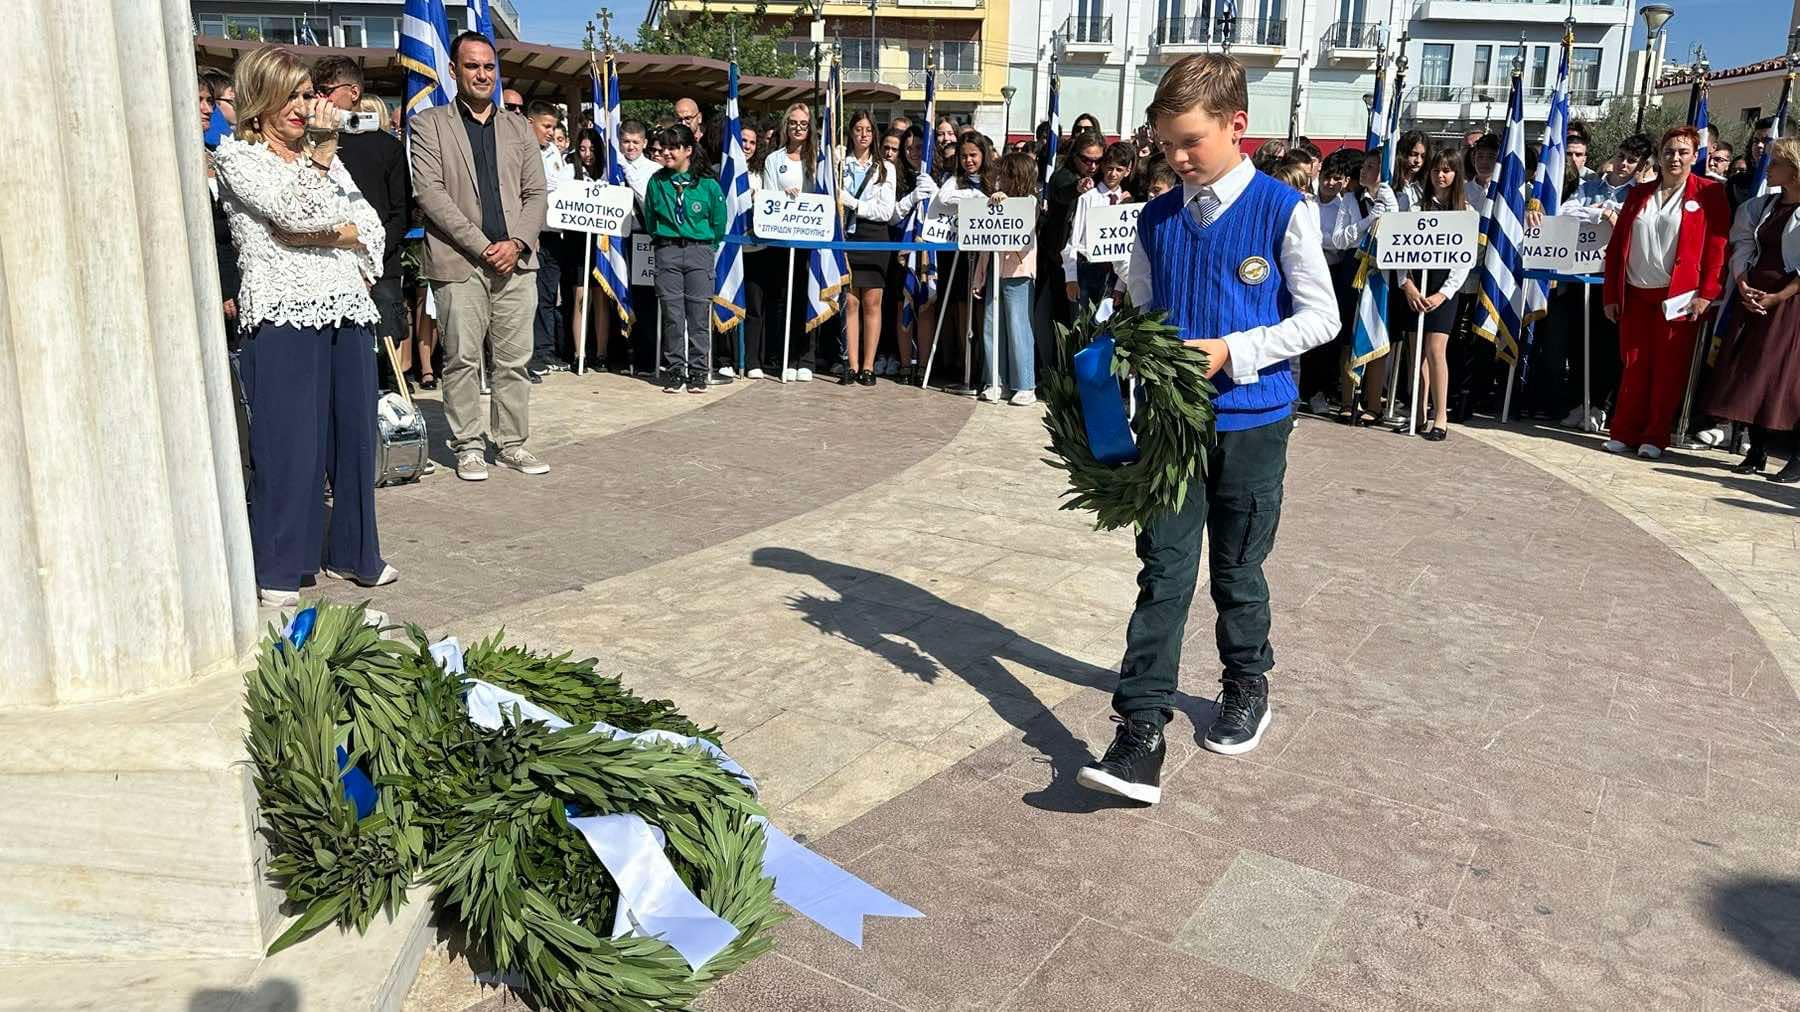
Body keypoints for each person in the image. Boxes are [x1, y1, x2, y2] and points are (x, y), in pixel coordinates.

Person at [1075, 53, 1336, 805]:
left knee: (1236, 569)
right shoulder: (1155, 217)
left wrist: (1237, 352)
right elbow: (1144, 310)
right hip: (1173, 428)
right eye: (1165, 145)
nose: (1177, 159)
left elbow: (1322, 318)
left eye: (1191, 142)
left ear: (1237, 126)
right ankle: (1139, 733)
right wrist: (1115, 351)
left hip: (1255, 422)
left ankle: (1246, 681)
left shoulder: (1283, 209)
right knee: (1163, 571)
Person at [211, 45, 394, 606]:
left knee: (356, 439)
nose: (302, 106)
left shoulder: (327, 159)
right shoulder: (237, 156)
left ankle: (354, 553)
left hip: (346, 305)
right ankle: (281, 564)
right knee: (291, 444)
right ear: (259, 100)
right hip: (283, 310)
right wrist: (319, 209)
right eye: (290, 95)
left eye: (306, 94)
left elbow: (371, 226)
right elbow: (288, 215)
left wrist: (334, 233)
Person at [410, 30, 550, 482]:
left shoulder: (518, 127)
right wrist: (483, 246)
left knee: (513, 360)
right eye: (472, 66)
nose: (482, 74)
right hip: (459, 261)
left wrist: (517, 243)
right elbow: (430, 194)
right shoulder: (428, 124)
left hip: (516, 262)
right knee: (463, 359)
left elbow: (536, 193)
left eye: (488, 66)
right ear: (454, 71)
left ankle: (512, 443)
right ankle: (468, 444)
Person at [1601, 125, 1730, 459]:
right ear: (1659, 155)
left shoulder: (1708, 194)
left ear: (1695, 156)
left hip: (1678, 298)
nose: (1675, 158)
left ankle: (1655, 436)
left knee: (1667, 369)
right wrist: (1611, 296)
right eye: (1669, 151)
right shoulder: (1639, 194)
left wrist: (1707, 293)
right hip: (1634, 293)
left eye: (1683, 152)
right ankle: (1624, 430)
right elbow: (1617, 247)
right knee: (1633, 365)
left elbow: (1717, 247)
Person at [311, 56, 409, 393]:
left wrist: (372, 261)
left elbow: (401, 213)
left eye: (326, 91)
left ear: (353, 92)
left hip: (380, 271)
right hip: (328, 269)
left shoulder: (388, 146)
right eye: (315, 92)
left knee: (384, 365)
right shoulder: (310, 144)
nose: (319, 100)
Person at [1705, 137, 1800, 482]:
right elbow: (1743, 243)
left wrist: (1779, 297)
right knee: (1751, 372)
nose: (1768, 168)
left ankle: (1796, 458)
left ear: (1793, 172)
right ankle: (1756, 450)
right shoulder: (1762, 207)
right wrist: (1743, 282)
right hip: (1755, 295)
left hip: (1790, 303)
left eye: (1776, 164)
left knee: (1786, 380)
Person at [1554, 132, 1653, 430]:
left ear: (1640, 165)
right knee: (1577, 344)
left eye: (1632, 161)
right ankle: (1576, 402)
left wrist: (1613, 215)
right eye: (1621, 156)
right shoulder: (1590, 186)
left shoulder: (1639, 193)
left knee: (1605, 347)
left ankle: (1599, 404)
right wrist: (1602, 212)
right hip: (1579, 275)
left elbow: (1633, 223)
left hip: (1612, 282)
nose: (1623, 164)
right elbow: (1565, 211)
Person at [1393, 147, 1473, 441]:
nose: (1441, 175)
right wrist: (1407, 285)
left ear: (1456, 174)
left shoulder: (1465, 212)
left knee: (1436, 350)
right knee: (1417, 355)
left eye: (1447, 170)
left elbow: (1464, 262)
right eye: (1437, 169)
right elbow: (1398, 251)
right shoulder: (1415, 208)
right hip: (1415, 287)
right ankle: (1417, 411)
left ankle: (1441, 416)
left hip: (1443, 290)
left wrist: (1443, 294)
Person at [644, 124, 726, 393]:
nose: (666, 153)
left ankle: (700, 370)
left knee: (699, 315)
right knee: (672, 315)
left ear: (688, 150)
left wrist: (705, 246)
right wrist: (664, 242)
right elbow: (650, 219)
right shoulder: (657, 182)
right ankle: (676, 369)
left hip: (699, 251)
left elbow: (718, 222)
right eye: (663, 147)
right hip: (667, 250)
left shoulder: (708, 184)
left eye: (672, 147)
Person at [971, 151, 1042, 405]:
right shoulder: (993, 202)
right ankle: (995, 380)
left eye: (1005, 174)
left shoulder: (1031, 202)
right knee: (991, 325)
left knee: (1018, 326)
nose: (1000, 179)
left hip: (1019, 273)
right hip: (995, 272)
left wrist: (1006, 205)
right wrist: (979, 277)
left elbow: (1022, 228)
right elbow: (985, 243)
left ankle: (1025, 384)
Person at [936, 130, 997, 395]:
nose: (969, 160)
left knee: (983, 312)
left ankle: (984, 369)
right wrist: (972, 198)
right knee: (962, 311)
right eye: (963, 156)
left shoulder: (993, 179)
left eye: (973, 155)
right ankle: (965, 366)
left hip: (987, 255)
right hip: (961, 255)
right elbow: (944, 198)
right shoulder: (955, 180)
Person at [840, 110, 897, 386]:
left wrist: (852, 203)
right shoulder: (841, 163)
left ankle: (868, 366)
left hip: (875, 237)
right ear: (851, 132)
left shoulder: (886, 168)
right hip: (848, 235)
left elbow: (884, 211)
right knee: (850, 302)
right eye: (858, 129)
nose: (863, 134)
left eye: (868, 130)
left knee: (872, 302)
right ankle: (851, 365)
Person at [761, 102, 817, 381]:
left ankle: (804, 358)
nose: (798, 127)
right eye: (793, 122)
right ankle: (783, 357)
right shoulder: (774, 159)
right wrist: (785, 197)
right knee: (782, 299)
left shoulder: (819, 159)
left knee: (808, 298)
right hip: (782, 242)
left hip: (811, 242)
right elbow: (769, 195)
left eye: (803, 123)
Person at [523, 100, 576, 376]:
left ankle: (544, 350)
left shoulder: (553, 151)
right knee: (526, 297)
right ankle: (526, 354)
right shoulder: (520, 150)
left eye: (554, 127)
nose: (550, 132)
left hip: (553, 234)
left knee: (546, 295)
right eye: (546, 126)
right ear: (530, 122)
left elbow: (560, 188)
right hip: (529, 236)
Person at [1036, 129, 1105, 340]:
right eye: (1086, 160)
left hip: (1093, 263)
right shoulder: (1063, 176)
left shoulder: (1102, 178)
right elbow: (1062, 192)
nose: (1092, 166)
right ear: (1075, 156)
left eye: (1097, 161)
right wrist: (1078, 188)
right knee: (1061, 320)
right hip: (1061, 262)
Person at [890, 125, 940, 385]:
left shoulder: (937, 175)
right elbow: (891, 214)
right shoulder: (895, 175)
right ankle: (904, 362)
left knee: (926, 305)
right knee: (903, 304)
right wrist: (911, 198)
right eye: (908, 148)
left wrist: (936, 193)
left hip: (929, 252)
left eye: (919, 147)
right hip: (901, 249)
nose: (913, 152)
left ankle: (923, 364)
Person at [1062, 141, 1135, 311]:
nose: (1113, 174)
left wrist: (1120, 286)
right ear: (1102, 167)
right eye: (1109, 168)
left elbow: (1126, 247)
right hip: (1086, 269)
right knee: (1080, 327)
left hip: (1113, 271)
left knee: (1105, 326)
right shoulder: (1088, 198)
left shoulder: (1127, 203)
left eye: (1119, 169)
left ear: (1127, 171)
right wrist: (1071, 278)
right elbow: (1073, 240)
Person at [1727, 119, 1775, 211]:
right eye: (1756, 141)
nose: (1760, 145)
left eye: (1766, 141)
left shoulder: (1791, 187)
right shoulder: (1736, 183)